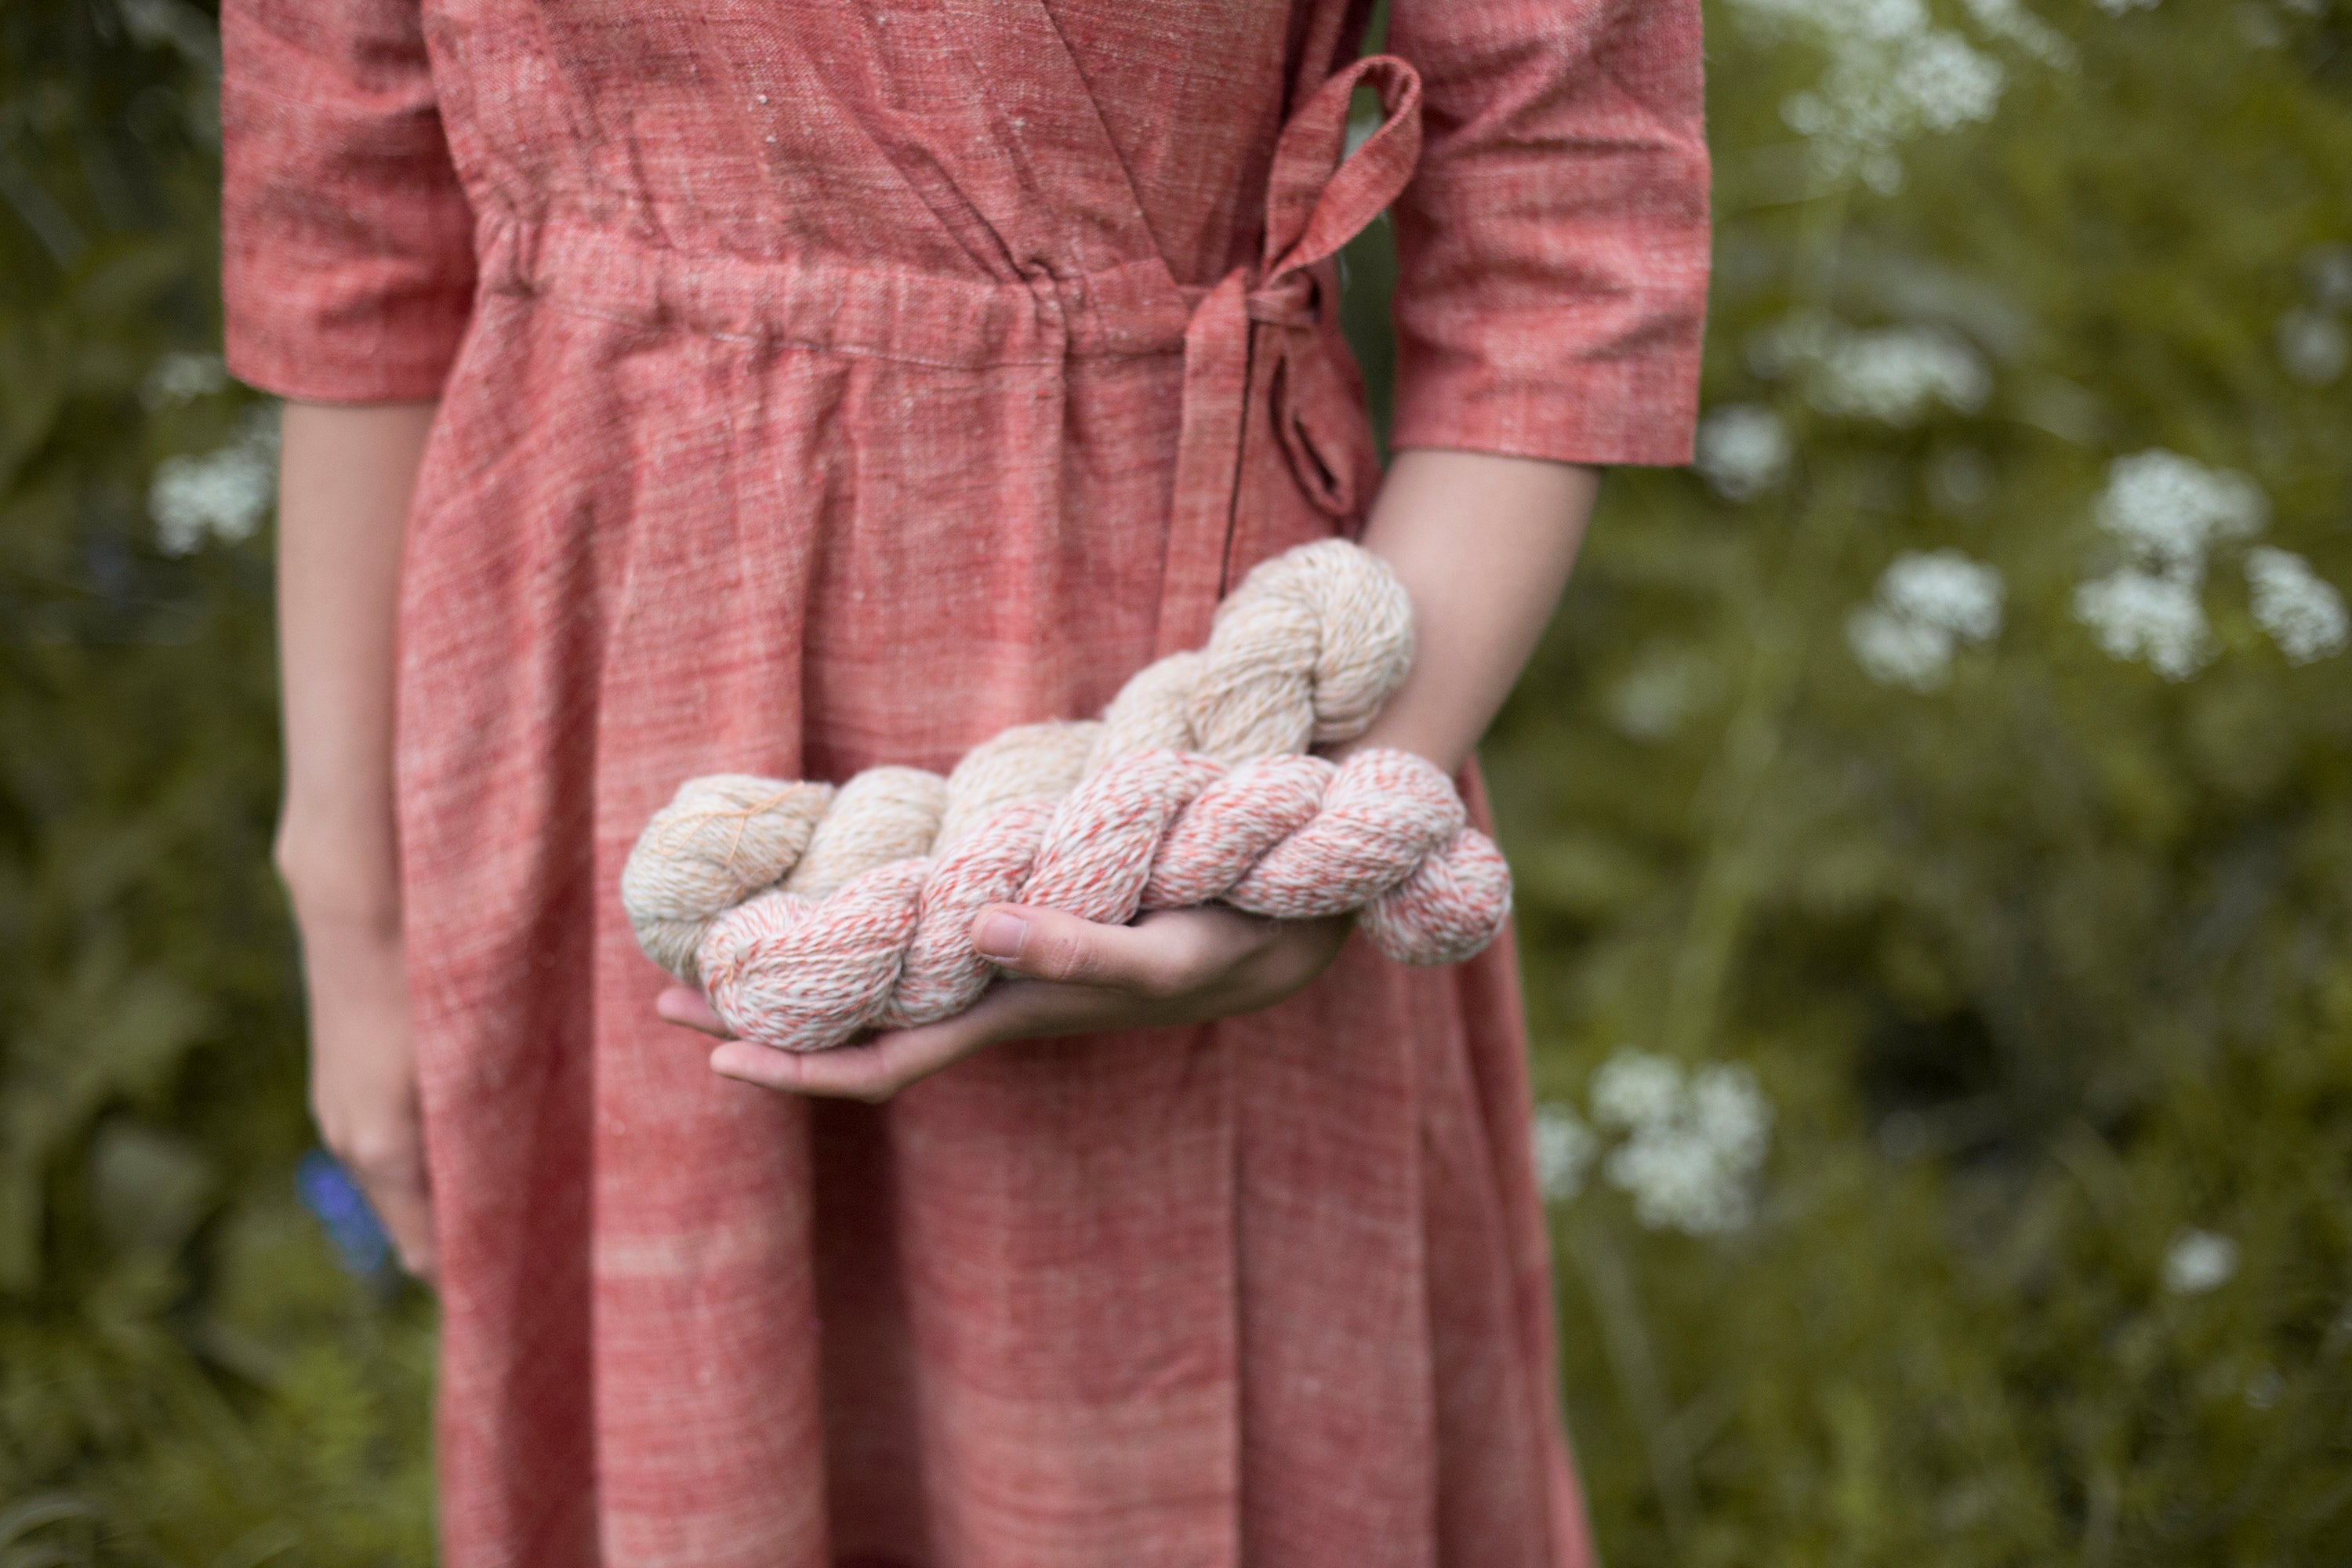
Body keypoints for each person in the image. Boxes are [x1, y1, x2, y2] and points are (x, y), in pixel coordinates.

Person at [225, 0, 1708, 1561]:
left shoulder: (1239, 793)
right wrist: (351, 895)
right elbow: (353, 219)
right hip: (597, 701)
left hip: (1176, 737)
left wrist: (1329, 816)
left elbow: (1568, 198)